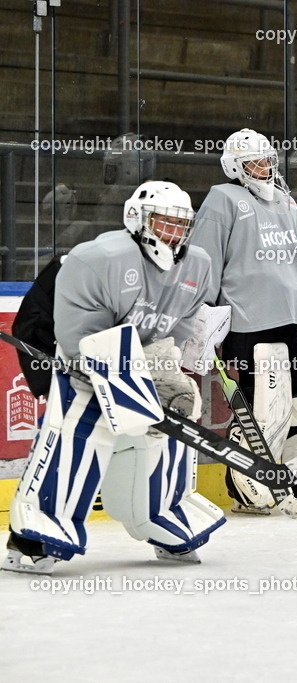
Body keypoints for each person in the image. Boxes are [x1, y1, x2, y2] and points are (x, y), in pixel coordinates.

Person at [4, 181, 225, 574]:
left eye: (181, 225)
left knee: (169, 426)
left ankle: (161, 514)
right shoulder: (97, 258)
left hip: (144, 355)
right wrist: (120, 375)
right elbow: (77, 339)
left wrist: (163, 366)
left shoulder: (199, 264)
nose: (173, 233)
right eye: (164, 223)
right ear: (137, 219)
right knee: (80, 429)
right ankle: (36, 533)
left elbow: (183, 321)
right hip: (85, 356)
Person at [190, 128, 297, 521]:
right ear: (235, 166)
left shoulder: (286, 202)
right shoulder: (223, 199)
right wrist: (201, 313)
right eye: (254, 163)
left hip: (291, 321)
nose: (263, 169)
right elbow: (204, 259)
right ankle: (245, 483)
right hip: (248, 323)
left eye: (267, 161)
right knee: (265, 406)